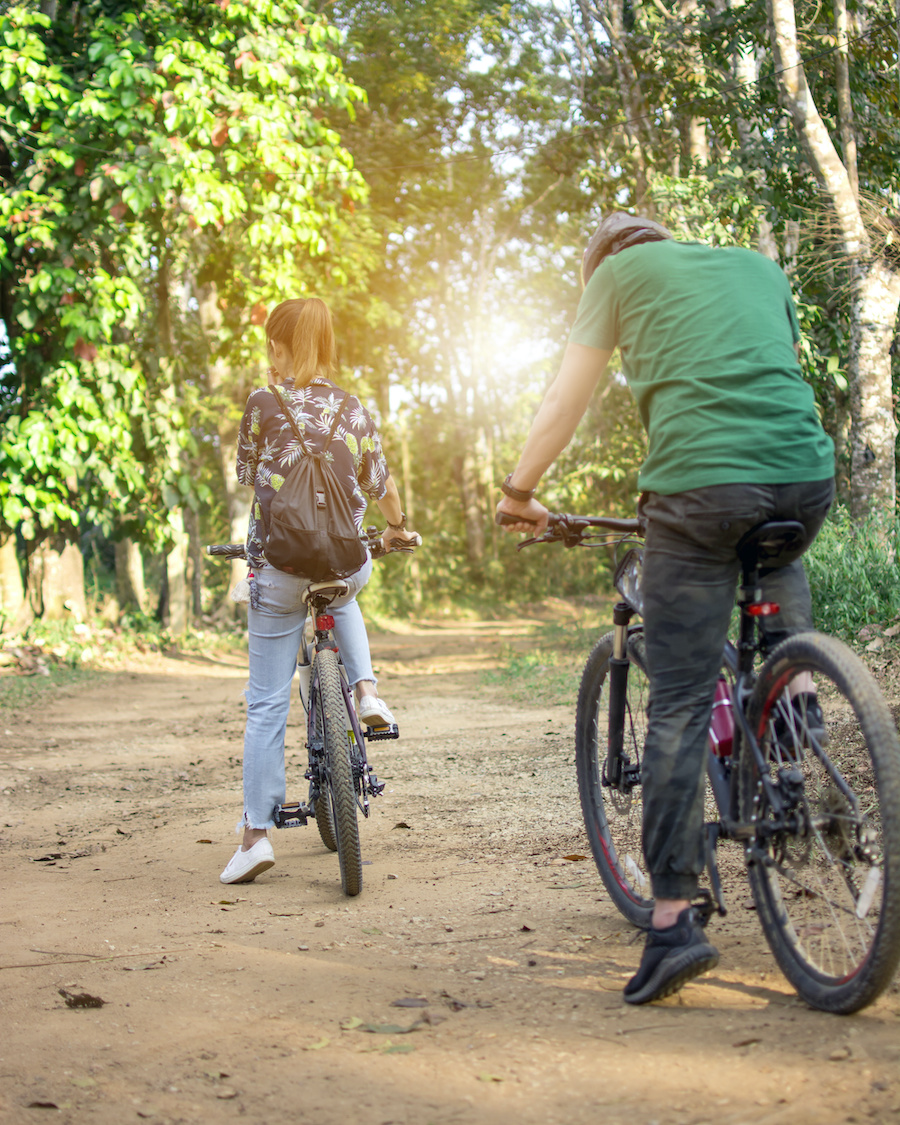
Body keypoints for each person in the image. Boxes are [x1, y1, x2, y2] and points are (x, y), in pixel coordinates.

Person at [496, 213, 835, 1004]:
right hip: (803, 478)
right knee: (774, 562)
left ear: (601, 266)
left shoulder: (614, 277)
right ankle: (798, 703)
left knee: (679, 703)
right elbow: (780, 375)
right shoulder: (756, 265)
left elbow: (566, 396)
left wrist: (519, 491)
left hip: (699, 488)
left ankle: (675, 920)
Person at [220, 296, 417, 885]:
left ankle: (257, 836)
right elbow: (379, 483)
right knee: (345, 591)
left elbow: (248, 476)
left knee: (266, 703)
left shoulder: (261, 401)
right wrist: (399, 527)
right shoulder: (352, 408)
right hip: (344, 562)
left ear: (277, 347)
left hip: (279, 570)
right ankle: (366, 691)